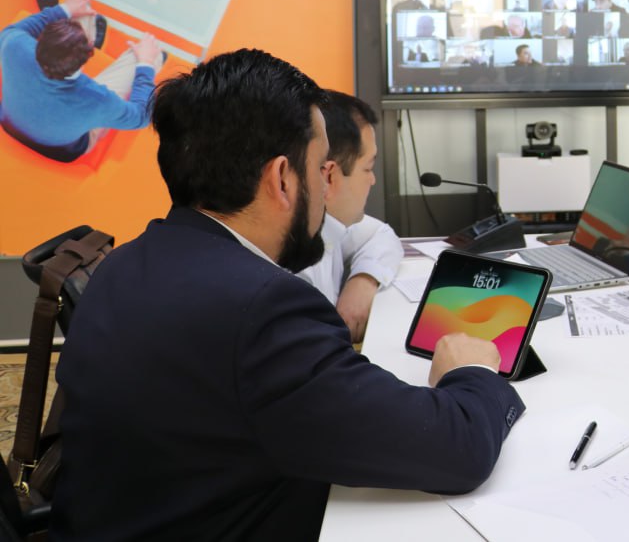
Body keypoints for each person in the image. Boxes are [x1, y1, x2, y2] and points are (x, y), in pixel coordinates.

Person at [53, 49, 523, 540]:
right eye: (321, 169)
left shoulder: (126, 262)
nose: (327, 187)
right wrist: (471, 372)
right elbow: (457, 450)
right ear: (282, 178)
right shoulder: (260, 309)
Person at [0, 0, 161, 162]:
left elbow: (11, 31)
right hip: (62, 149)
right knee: (153, 56)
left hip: (10, 123)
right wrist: (145, 64)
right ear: (89, 53)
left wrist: (65, 9)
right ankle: (151, 59)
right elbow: (140, 117)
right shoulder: (97, 99)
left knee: (81, 13)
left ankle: (79, 18)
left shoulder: (14, 46)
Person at [297, 91, 399, 344]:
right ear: (329, 177)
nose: (372, 180)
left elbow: (381, 234)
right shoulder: (296, 277)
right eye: (368, 168)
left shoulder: (327, 225)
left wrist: (364, 280)